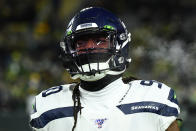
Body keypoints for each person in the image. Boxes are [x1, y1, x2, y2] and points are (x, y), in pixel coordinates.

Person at [29, 7, 180, 131]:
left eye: (100, 41)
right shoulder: (50, 105)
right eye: (81, 43)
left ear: (121, 44)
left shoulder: (154, 98)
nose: (89, 48)